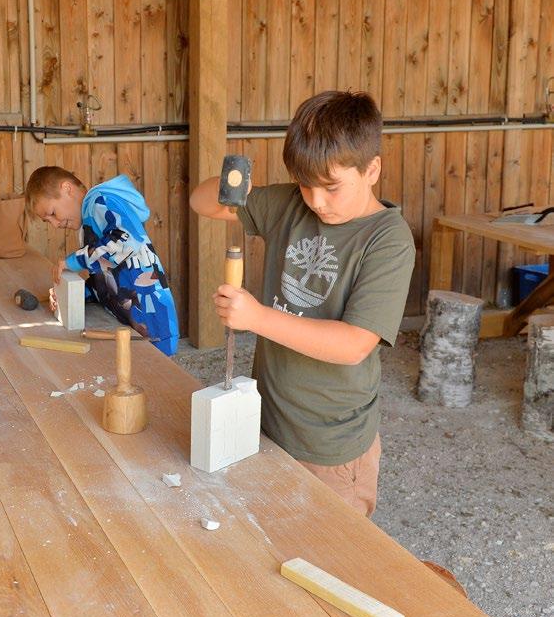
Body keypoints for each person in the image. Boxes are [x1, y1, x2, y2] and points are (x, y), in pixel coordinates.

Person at [189, 91, 415, 516]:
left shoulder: (388, 240)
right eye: (305, 185)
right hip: (268, 422)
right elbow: (201, 202)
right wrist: (235, 184)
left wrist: (256, 317)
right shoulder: (290, 204)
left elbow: (353, 345)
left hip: (330, 444)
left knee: (330, 556)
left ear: (372, 170)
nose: (316, 201)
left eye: (331, 187)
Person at [25, 166, 179, 356]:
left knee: (163, 379)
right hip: (131, 325)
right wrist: (71, 294)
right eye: (47, 221)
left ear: (67, 189)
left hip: (153, 322)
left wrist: (74, 260)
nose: (55, 225)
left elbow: (125, 241)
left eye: (52, 213)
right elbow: (103, 279)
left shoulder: (100, 201)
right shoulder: (89, 224)